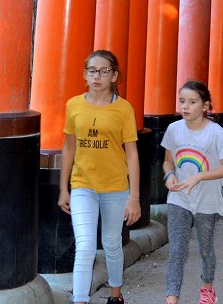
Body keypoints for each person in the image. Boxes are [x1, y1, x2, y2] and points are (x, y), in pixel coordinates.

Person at [59, 50, 142, 304]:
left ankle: (115, 295)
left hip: (115, 187)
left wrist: (134, 197)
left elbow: (132, 154)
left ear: (114, 76)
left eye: (104, 71)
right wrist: (63, 189)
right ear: (85, 75)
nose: (97, 76)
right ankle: (80, 300)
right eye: (92, 71)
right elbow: (69, 147)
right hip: (82, 185)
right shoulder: (74, 105)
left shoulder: (123, 109)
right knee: (84, 247)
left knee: (112, 243)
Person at [161, 81, 223, 304]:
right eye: (182, 101)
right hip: (179, 198)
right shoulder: (173, 129)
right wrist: (169, 175)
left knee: (206, 248)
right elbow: (167, 161)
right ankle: (171, 298)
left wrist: (199, 176)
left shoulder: (215, 132)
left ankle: (207, 288)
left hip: (206, 201)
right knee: (177, 250)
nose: (185, 106)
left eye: (192, 102)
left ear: (205, 106)